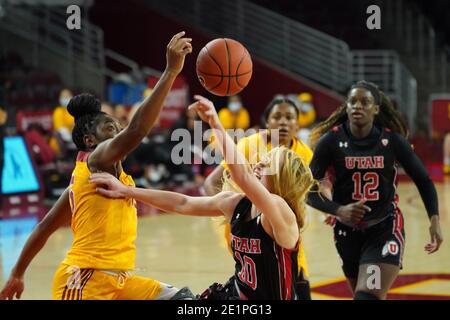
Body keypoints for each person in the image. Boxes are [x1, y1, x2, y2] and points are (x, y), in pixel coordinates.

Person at [0, 31, 193, 300]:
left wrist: (18, 273)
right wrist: (171, 72)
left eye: (118, 126)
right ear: (90, 139)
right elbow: (137, 129)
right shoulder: (97, 159)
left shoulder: (91, 180)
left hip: (121, 282)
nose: (117, 131)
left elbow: (44, 227)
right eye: (109, 128)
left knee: (184, 302)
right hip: (83, 282)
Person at [89, 94, 315, 300]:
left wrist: (215, 123)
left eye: (267, 165)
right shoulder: (237, 203)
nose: (258, 164)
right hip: (233, 297)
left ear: (280, 180)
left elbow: (244, 176)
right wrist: (127, 190)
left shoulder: (280, 210)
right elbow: (182, 203)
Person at [307, 80, 443, 300]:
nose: (357, 106)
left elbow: (424, 179)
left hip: (384, 228)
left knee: (367, 297)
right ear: (346, 106)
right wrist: (338, 210)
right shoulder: (330, 140)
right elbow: (308, 190)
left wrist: (434, 220)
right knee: (365, 296)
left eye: (365, 102)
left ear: (376, 109)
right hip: (346, 232)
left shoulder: (392, 141)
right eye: (352, 101)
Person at [204, 96, 315, 299]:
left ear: (298, 125)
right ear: (267, 122)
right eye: (277, 117)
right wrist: (231, 210)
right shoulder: (250, 145)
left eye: (289, 117)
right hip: (249, 231)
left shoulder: (303, 152)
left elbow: (303, 195)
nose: (283, 122)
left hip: (283, 227)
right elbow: (211, 182)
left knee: (300, 284)